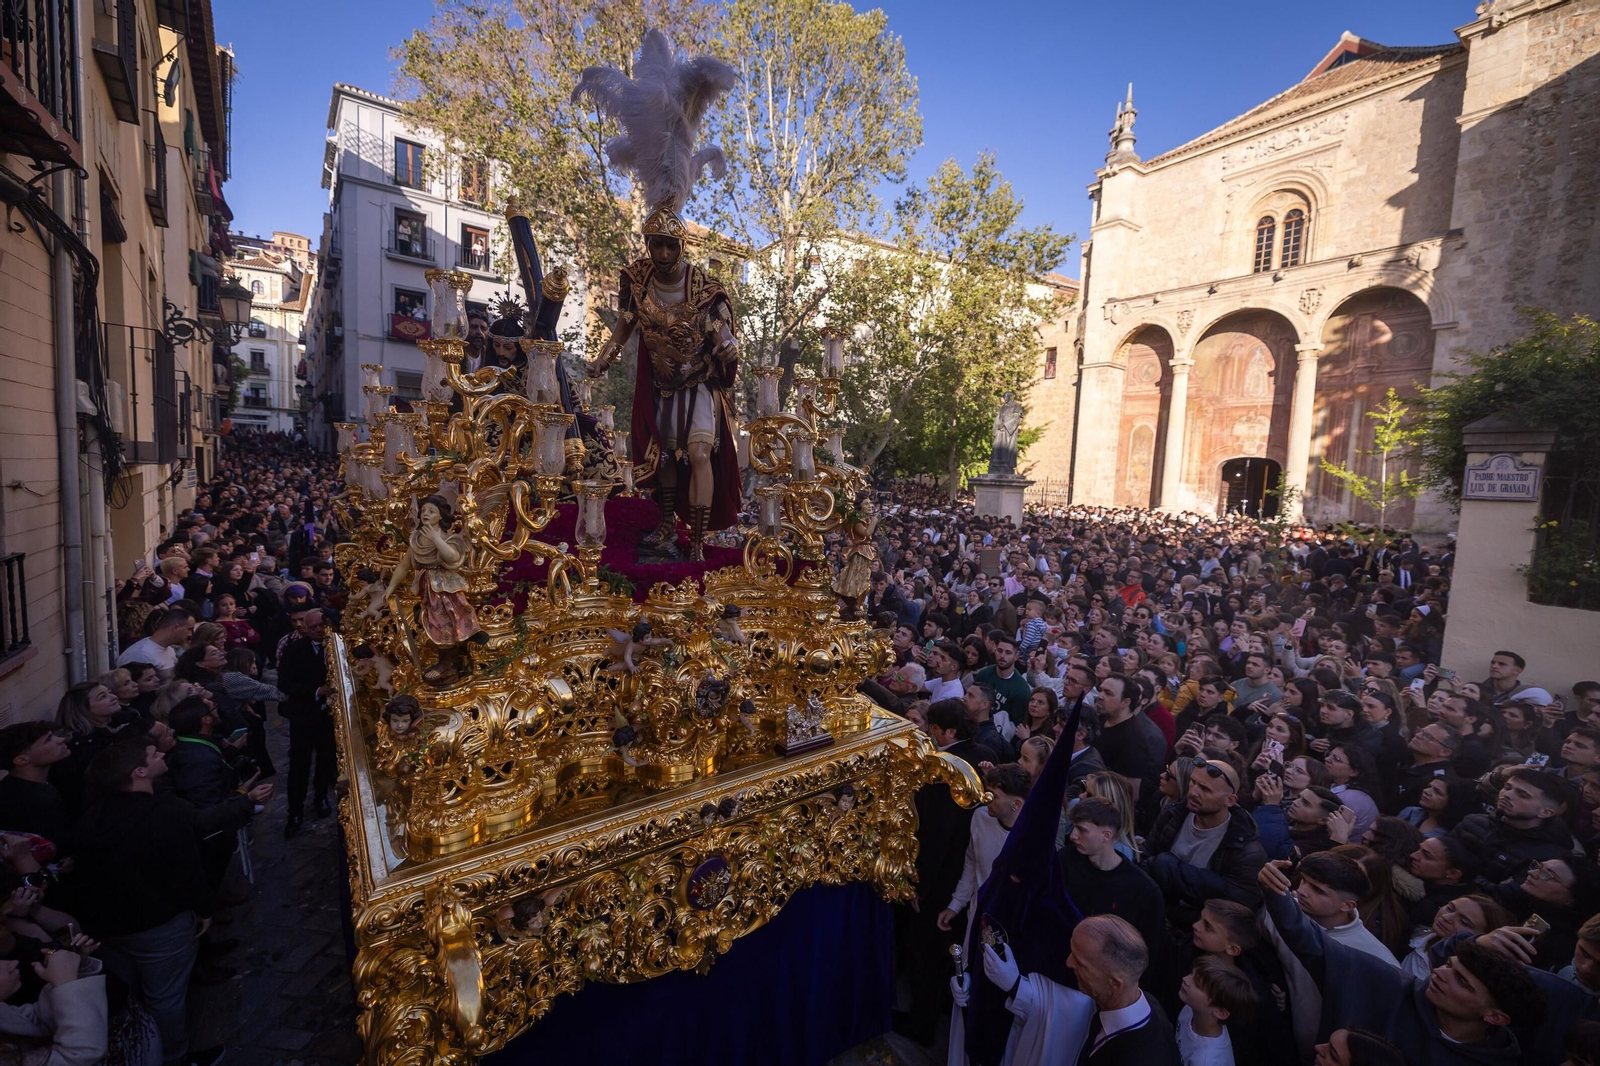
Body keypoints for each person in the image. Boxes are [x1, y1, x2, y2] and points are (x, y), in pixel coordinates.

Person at [1257, 859, 1547, 1066]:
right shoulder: (1393, 985)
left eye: (1462, 981)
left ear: (1495, 1017)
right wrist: (1277, 892)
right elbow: (1310, 943)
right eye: (1449, 966)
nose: (1442, 975)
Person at [73, 735, 224, 1066]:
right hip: (159, 927)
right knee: (166, 998)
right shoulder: (163, 814)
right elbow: (186, 868)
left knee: (130, 996)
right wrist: (205, 909)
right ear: (139, 772)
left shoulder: (90, 819)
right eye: (154, 754)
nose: (161, 755)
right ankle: (174, 1057)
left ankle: (136, 1052)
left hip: (110, 928)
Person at [1144, 756, 1268, 920]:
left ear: (1230, 800)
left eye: (1205, 789)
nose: (1193, 792)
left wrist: (1167, 911)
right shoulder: (1173, 814)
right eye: (1193, 782)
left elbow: (1234, 913)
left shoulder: (1246, 851)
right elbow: (1146, 855)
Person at [1063, 798, 1168, 989]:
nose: (1073, 836)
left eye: (1082, 830)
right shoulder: (1065, 862)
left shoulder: (1143, 891)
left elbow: (1151, 952)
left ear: (1106, 835)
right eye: (1073, 828)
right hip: (1062, 972)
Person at [278, 608, 337, 838]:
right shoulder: (294, 650)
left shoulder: (337, 645)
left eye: (322, 626)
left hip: (329, 716)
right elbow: (284, 683)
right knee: (299, 766)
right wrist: (315, 691)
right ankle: (295, 812)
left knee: (326, 759)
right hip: (303, 715)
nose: (319, 631)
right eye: (313, 627)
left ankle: (321, 797)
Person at [0, 721, 73, 851]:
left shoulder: (27, 785)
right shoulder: (30, 802)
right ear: (21, 760)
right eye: (48, 740)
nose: (61, 739)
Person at [1176, 954, 1256, 1066]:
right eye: (1191, 974)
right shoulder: (1191, 1009)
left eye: (1198, 985)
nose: (1185, 979)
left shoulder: (1207, 1061)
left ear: (1220, 1012)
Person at [115, 607, 195, 675]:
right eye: (189, 629)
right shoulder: (142, 654)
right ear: (176, 627)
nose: (190, 634)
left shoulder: (169, 649)